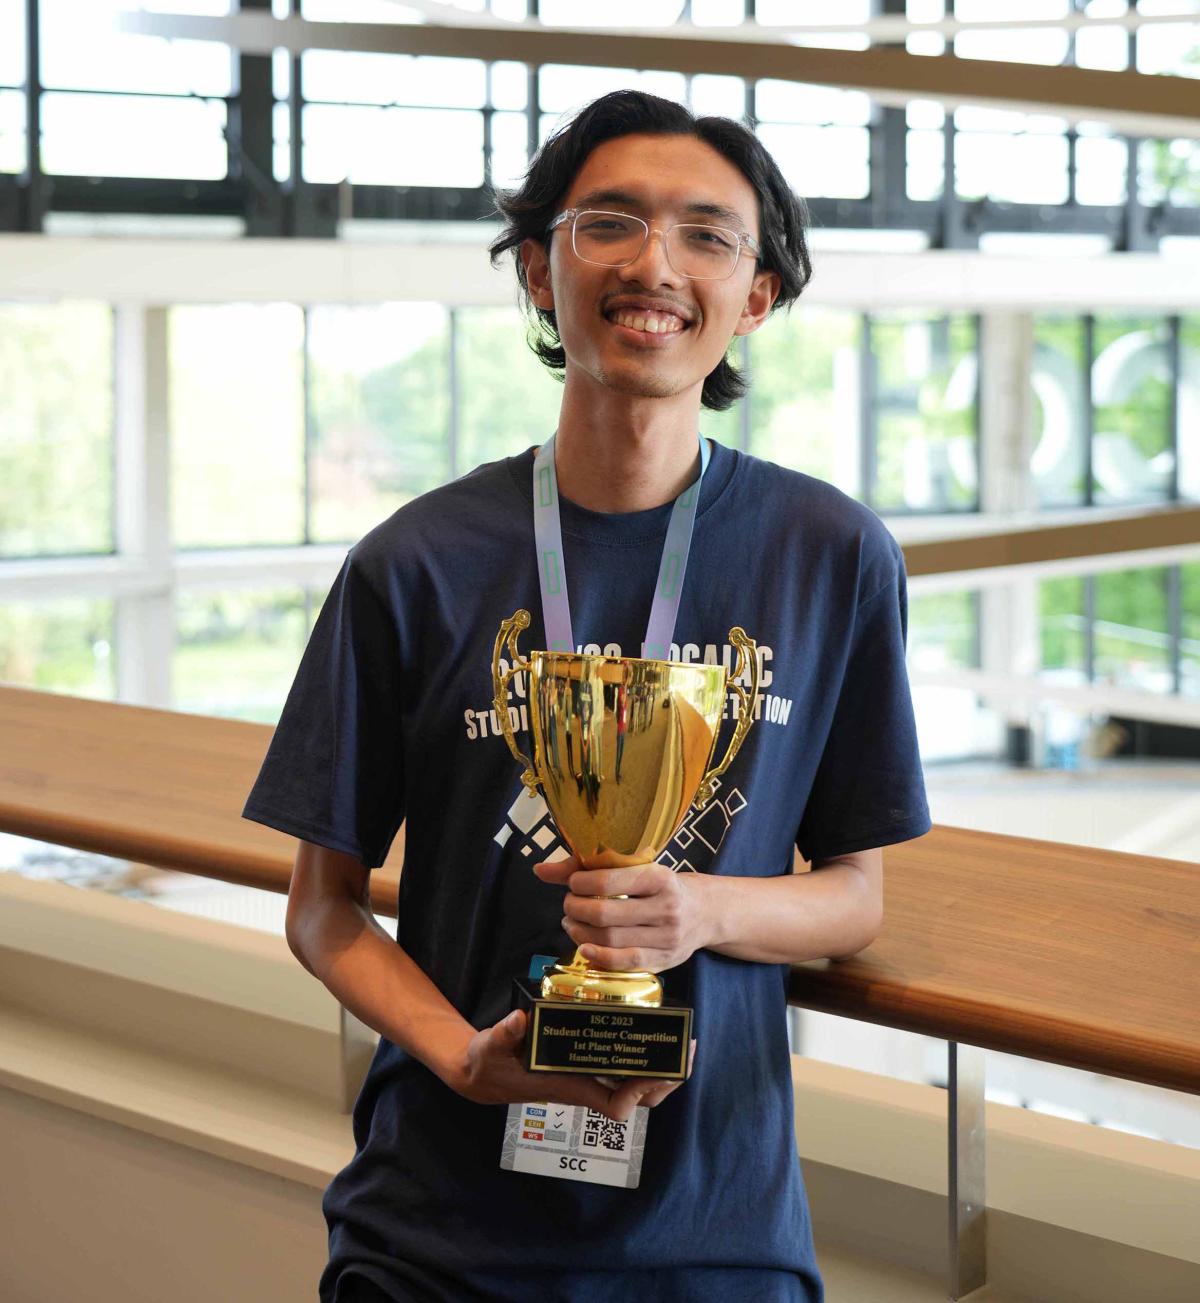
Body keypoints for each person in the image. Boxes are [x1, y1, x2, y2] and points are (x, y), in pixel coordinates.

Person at [243, 89, 931, 1303]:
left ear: (756, 296)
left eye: (707, 235)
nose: (654, 263)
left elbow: (854, 898)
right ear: (536, 270)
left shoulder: (831, 555)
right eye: (608, 222)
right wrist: (464, 1058)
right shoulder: (415, 564)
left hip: (715, 1238)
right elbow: (324, 912)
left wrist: (701, 912)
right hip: (434, 1242)